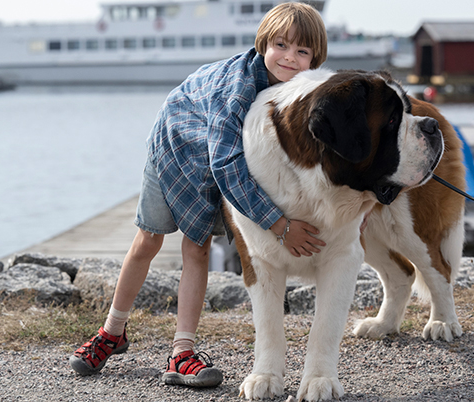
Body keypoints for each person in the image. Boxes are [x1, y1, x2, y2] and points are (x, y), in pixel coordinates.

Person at [68, 2, 329, 388]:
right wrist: (278, 223)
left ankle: (181, 352)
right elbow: (227, 165)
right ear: (263, 44)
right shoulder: (239, 88)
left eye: (302, 51)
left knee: (197, 247)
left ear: (315, 58)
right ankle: (112, 331)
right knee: (147, 240)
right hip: (175, 144)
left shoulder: (299, 92)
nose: (290, 57)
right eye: (281, 45)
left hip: (213, 156)